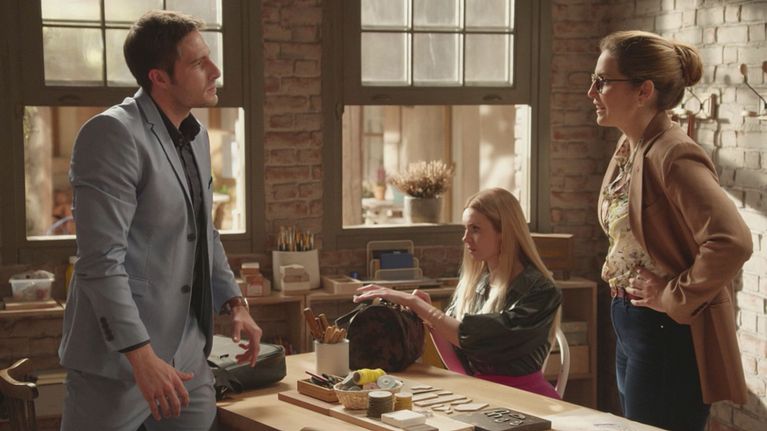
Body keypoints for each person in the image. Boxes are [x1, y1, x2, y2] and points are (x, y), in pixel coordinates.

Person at [59, 10, 262, 431]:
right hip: (121, 361)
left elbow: (203, 231)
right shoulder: (111, 134)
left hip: (188, 349)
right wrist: (140, 355)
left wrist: (235, 303)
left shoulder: (196, 134)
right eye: (198, 63)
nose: (215, 71)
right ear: (160, 77)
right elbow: (100, 262)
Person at [589, 30, 752, 430]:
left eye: (603, 81)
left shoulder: (673, 153)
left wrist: (672, 296)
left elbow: (732, 241)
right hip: (630, 320)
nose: (592, 92)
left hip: (664, 330)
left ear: (643, 91)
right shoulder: (629, 147)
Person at [354, 188, 562, 398]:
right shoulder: (477, 286)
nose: (465, 238)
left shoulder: (541, 291)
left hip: (528, 400)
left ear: (504, 233)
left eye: (475, 229)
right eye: (465, 229)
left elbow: (483, 337)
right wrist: (430, 318)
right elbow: (458, 366)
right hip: (484, 395)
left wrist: (419, 306)